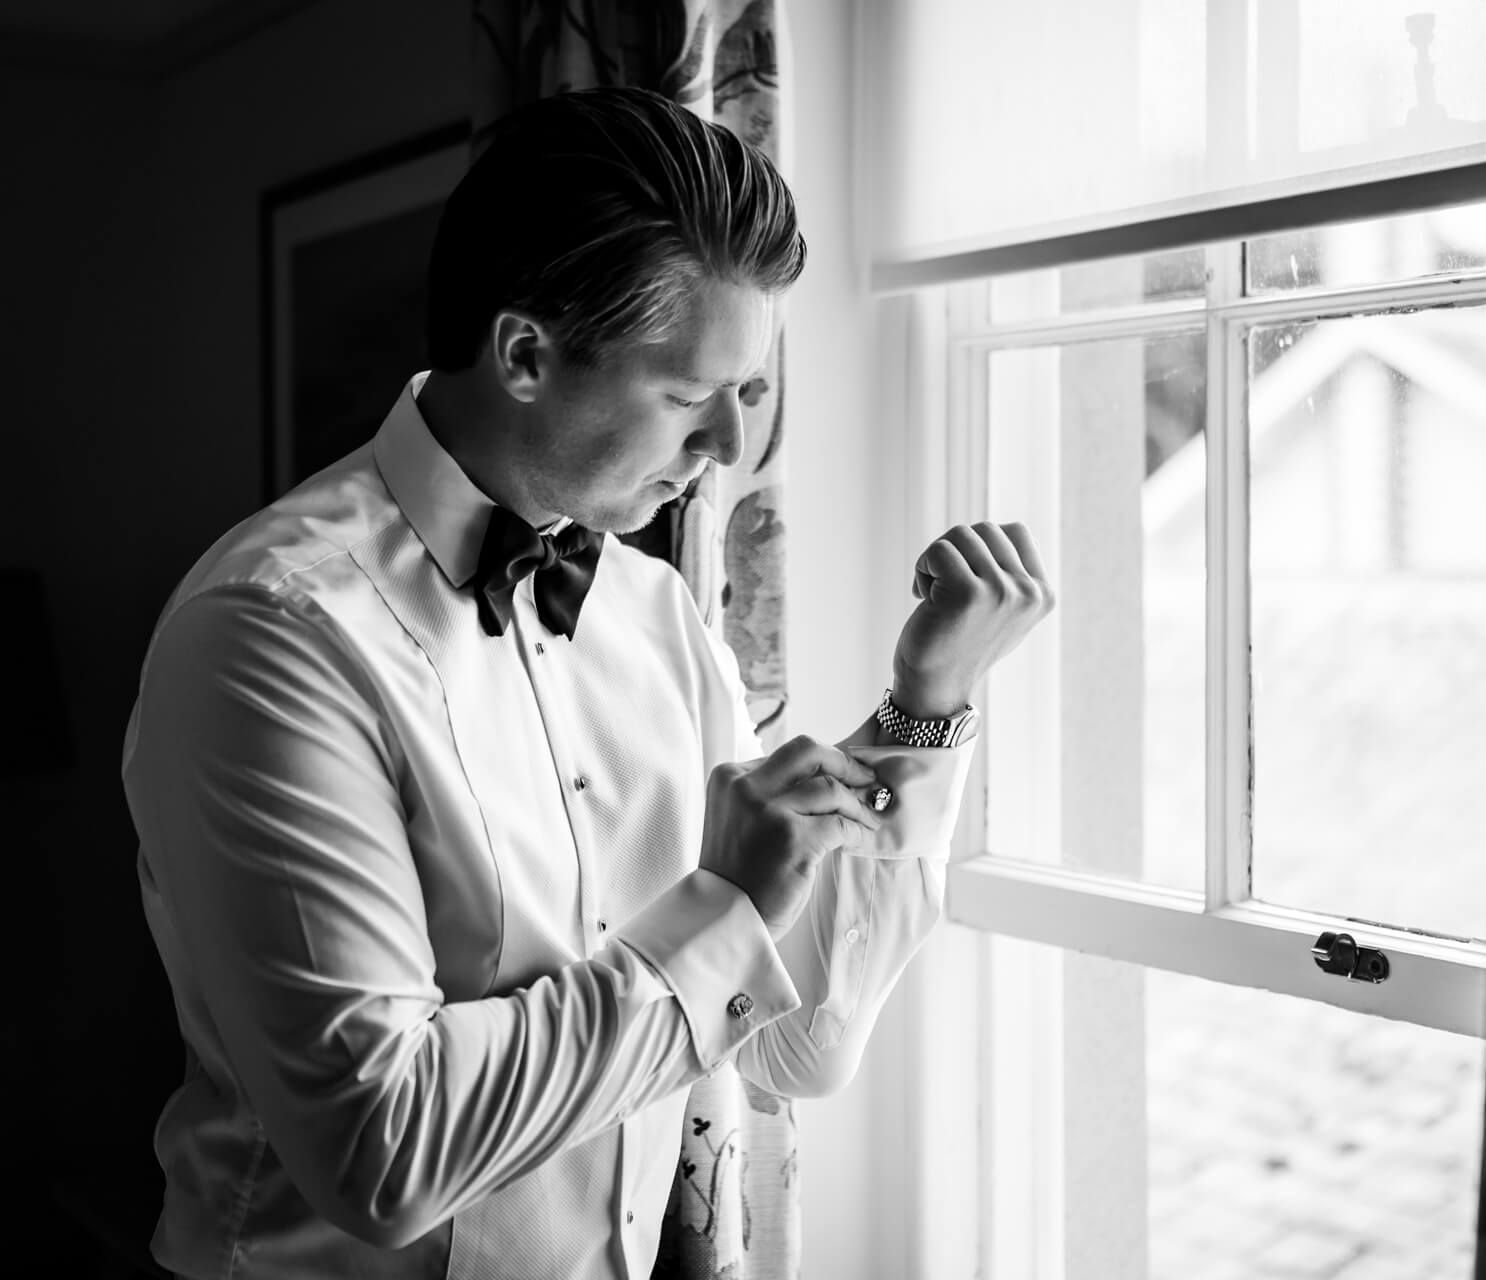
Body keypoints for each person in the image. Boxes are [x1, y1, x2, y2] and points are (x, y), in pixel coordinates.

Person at [122, 86, 1053, 1278]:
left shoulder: (656, 612)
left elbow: (798, 1042)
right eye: (686, 397)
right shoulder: (271, 636)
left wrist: (930, 699)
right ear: (524, 353)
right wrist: (722, 902)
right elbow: (381, 1151)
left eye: (750, 393)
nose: (730, 450)